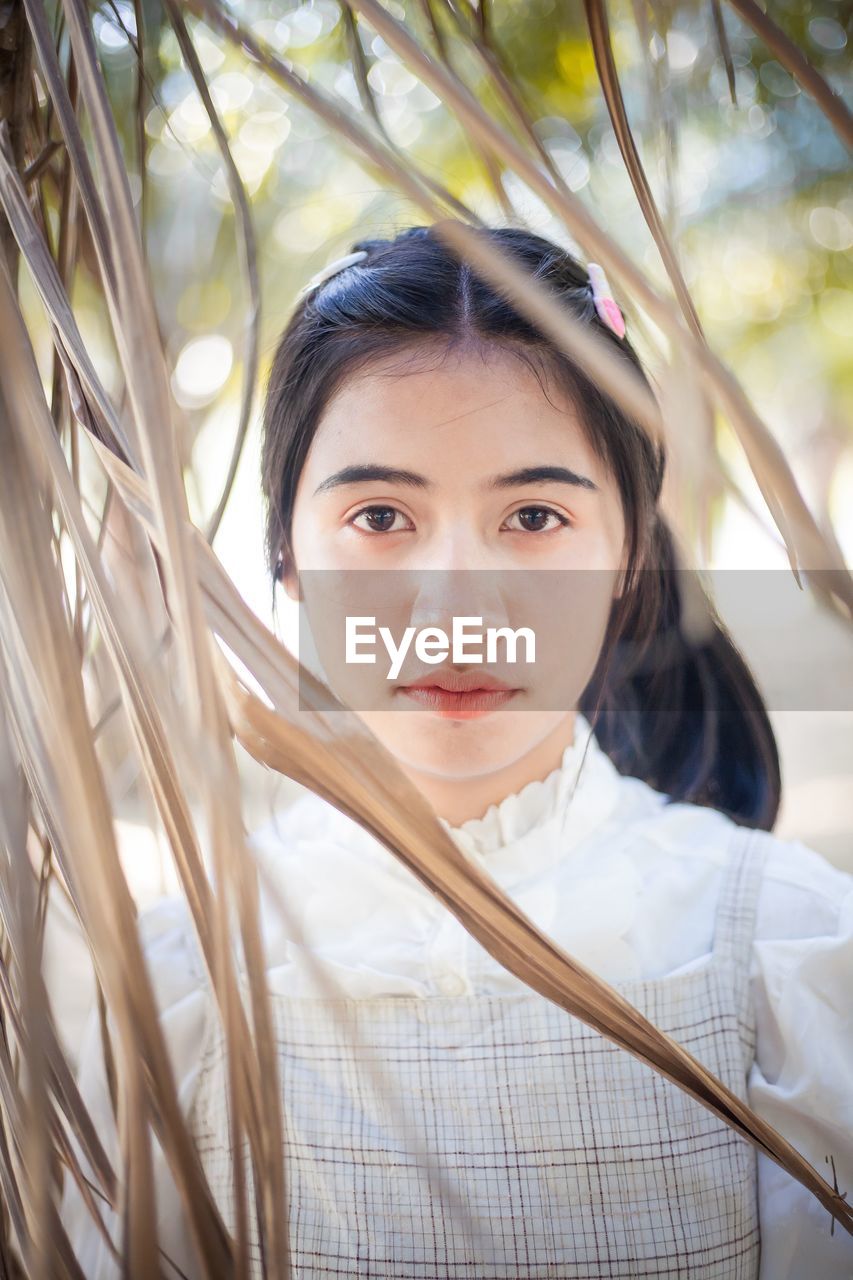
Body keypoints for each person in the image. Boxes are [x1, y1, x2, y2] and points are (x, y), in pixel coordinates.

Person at [61, 224, 853, 1278]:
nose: (454, 605)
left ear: (624, 553)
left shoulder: (788, 955)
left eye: (532, 515)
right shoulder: (173, 987)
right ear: (286, 553)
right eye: (381, 514)